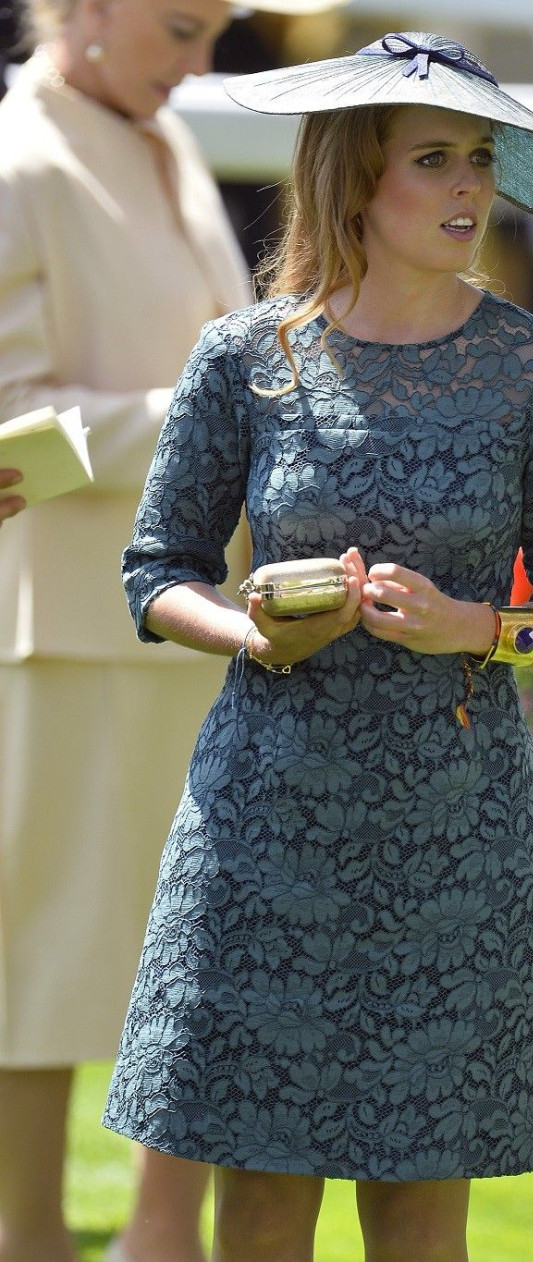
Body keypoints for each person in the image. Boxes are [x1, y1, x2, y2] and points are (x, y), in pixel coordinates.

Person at [103, 31, 533, 1262]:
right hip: (263, 825)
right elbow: (155, 570)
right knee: (264, 1211)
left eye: (478, 162)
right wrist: (251, 629)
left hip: (453, 833)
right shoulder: (245, 359)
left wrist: (470, 625)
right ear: (353, 180)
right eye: (432, 160)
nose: (466, 189)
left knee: (418, 1219)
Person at [0, 1, 252, 1259]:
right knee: (39, 952)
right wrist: (221, 411)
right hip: (66, 618)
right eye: (180, 29)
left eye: (214, 32)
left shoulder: (164, 134)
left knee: (199, 942)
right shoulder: (16, 160)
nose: (198, 64)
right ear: (87, 10)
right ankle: (26, 1233)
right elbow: (8, 433)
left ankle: (162, 1235)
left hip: (199, 613)